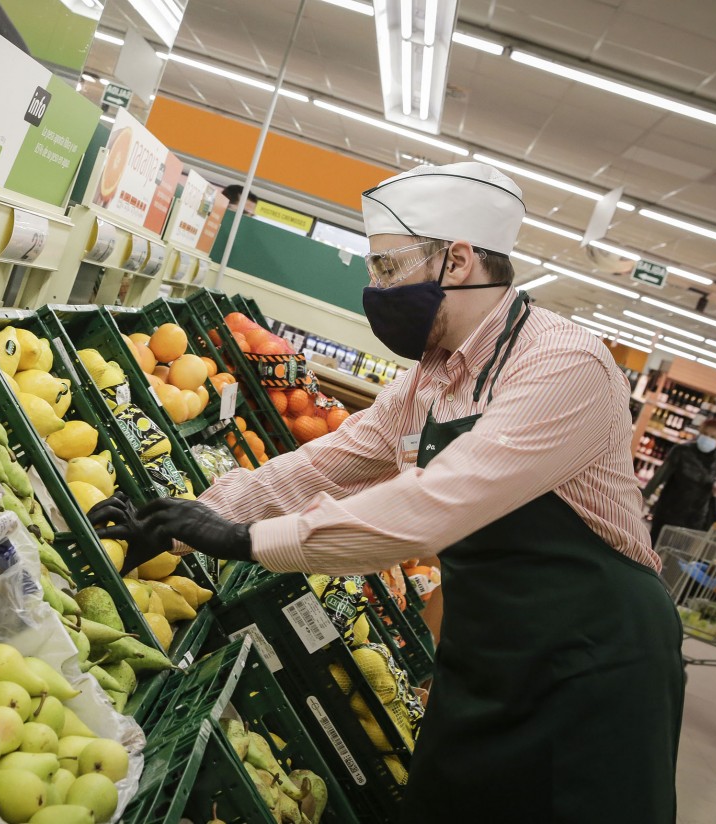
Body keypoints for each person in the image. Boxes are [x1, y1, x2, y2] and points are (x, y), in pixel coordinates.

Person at [90, 162, 685, 822]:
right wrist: (189, 516)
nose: (374, 290)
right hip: (485, 654)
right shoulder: (426, 383)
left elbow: (438, 504)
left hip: (594, 669)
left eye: (388, 269)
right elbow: (319, 467)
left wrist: (246, 541)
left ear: (457, 262)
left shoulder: (565, 365)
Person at [642, 418, 716, 545]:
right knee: (654, 546)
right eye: (705, 434)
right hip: (669, 509)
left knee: (677, 553)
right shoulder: (681, 451)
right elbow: (661, 475)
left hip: (695, 517)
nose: (707, 439)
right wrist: (645, 496)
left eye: (713, 436)